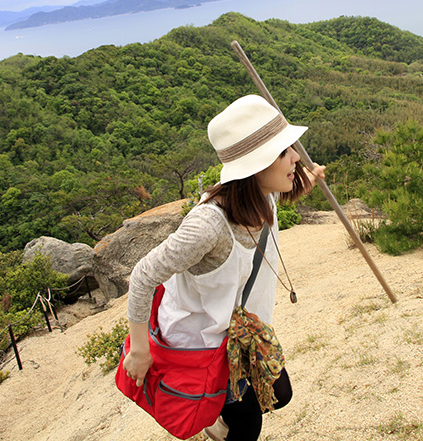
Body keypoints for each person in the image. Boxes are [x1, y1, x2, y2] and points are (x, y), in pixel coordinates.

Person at [123, 95, 325, 441]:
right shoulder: (208, 227)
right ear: (256, 166)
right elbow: (143, 276)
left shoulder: (261, 194)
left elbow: (286, 192)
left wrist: (311, 177)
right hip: (203, 342)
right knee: (247, 424)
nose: (295, 157)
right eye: (283, 152)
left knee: (281, 394)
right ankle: (219, 418)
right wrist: (140, 350)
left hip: (240, 332)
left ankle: (217, 412)